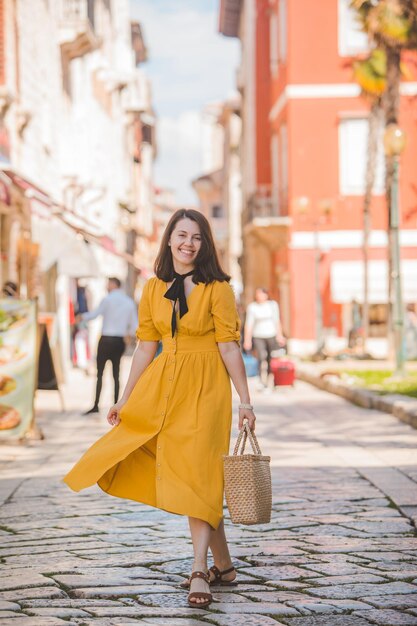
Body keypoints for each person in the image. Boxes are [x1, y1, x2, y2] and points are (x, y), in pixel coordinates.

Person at [64, 209, 256, 609]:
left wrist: (246, 400)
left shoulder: (218, 288)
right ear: (169, 239)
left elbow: (228, 346)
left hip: (206, 387)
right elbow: (146, 346)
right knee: (185, 469)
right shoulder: (152, 288)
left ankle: (200, 568)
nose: (188, 243)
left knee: (199, 471)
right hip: (163, 384)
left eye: (197, 237)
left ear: (205, 244)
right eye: (181, 235)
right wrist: (124, 397)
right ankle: (225, 564)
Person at [79, 277, 137, 415]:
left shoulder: (107, 299)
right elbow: (135, 325)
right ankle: (116, 404)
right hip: (119, 341)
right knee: (116, 374)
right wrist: (128, 334)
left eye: (108, 284)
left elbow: (95, 314)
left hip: (106, 340)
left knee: (100, 374)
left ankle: (96, 405)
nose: (106, 286)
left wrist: (82, 316)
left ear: (113, 284)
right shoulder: (129, 302)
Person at [243, 287, 285, 389]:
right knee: (261, 356)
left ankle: (270, 378)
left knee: (271, 358)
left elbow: (277, 321)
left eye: (261, 294)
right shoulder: (252, 307)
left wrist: (280, 335)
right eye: (258, 294)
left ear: (266, 295)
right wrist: (247, 340)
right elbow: (249, 324)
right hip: (258, 335)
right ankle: (261, 379)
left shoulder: (272, 305)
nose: (259, 296)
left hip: (271, 334)